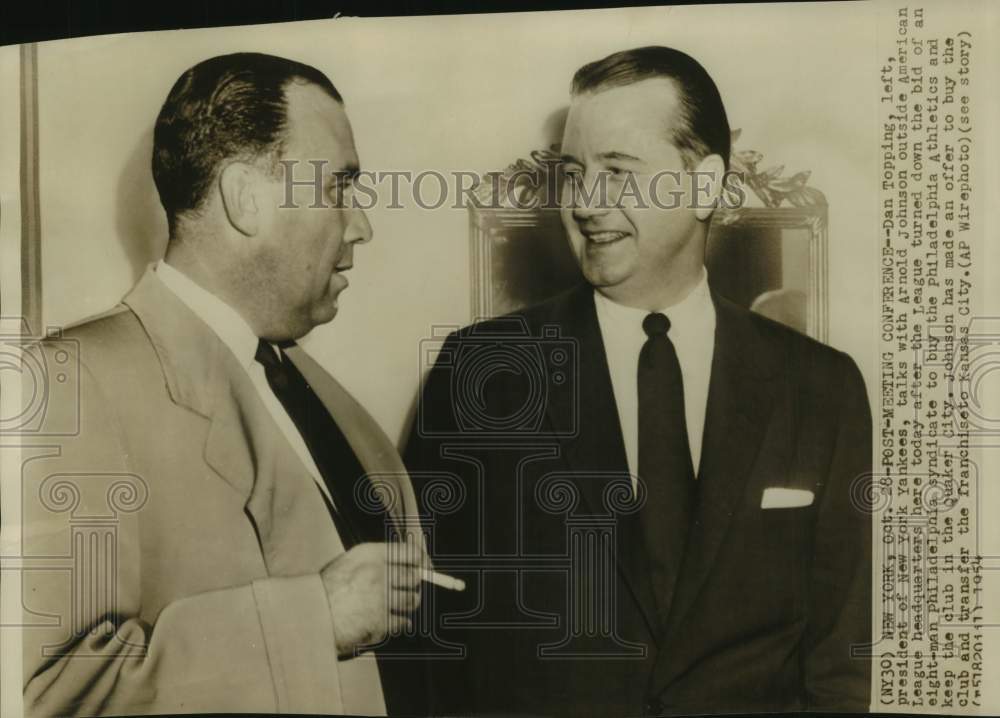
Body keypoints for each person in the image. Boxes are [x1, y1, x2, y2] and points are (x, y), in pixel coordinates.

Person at [406, 46, 872, 716]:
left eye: (618, 172)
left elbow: (840, 662)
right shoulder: (481, 373)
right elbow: (430, 639)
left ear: (704, 185)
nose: (585, 204)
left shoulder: (822, 389)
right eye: (573, 174)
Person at [21, 53, 429, 716]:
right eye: (337, 188)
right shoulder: (68, 384)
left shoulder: (321, 396)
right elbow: (52, 693)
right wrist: (313, 619)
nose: (361, 226)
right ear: (245, 199)